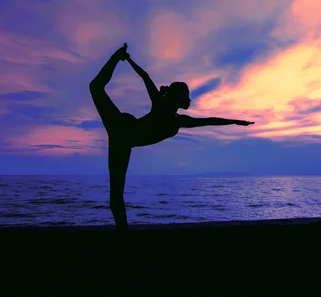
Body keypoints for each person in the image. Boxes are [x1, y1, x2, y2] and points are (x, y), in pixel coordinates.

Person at [89, 43, 254, 231]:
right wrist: (126, 59)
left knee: (117, 194)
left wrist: (235, 121)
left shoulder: (179, 121)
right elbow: (145, 76)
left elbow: (209, 120)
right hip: (121, 130)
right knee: (95, 87)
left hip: (125, 138)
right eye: (187, 96)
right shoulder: (160, 105)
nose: (190, 100)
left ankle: (123, 234)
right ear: (176, 97)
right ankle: (114, 56)